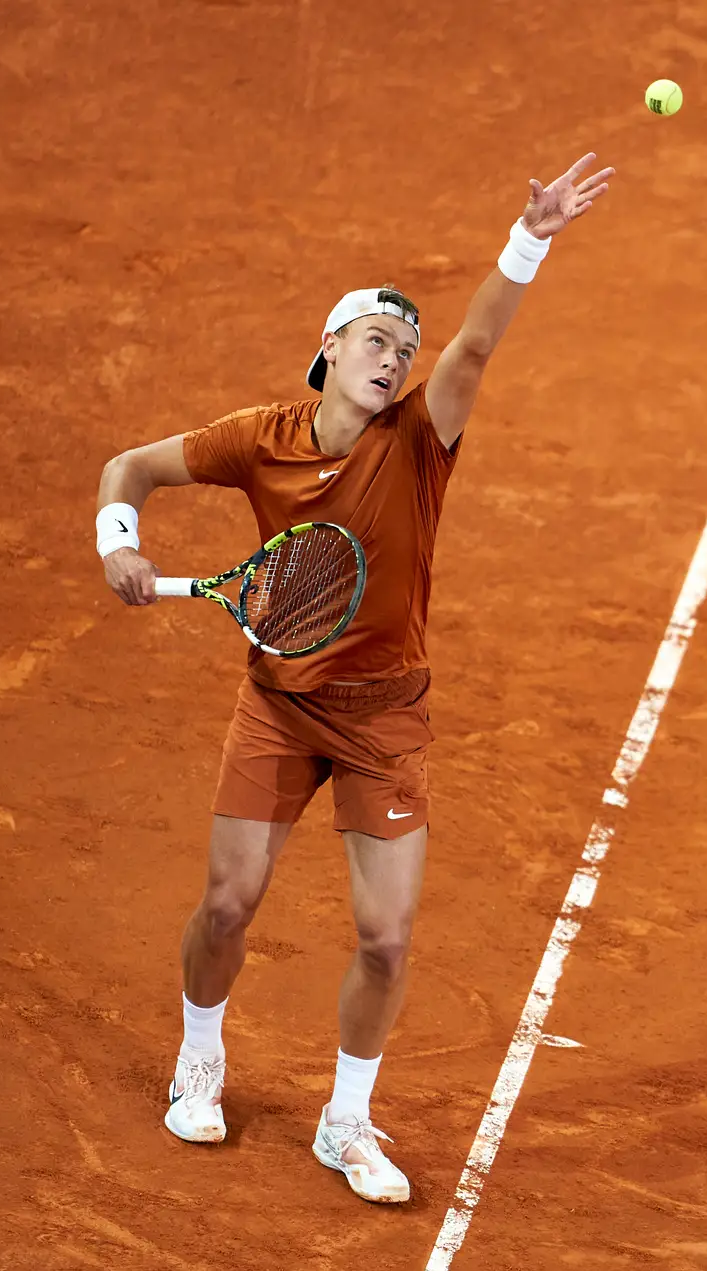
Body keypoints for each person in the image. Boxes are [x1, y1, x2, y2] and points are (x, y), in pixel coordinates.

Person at [91, 153, 612, 1204]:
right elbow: (129, 471)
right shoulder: (258, 440)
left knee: (386, 937)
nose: (397, 357)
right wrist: (118, 543)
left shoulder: (423, 436)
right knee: (229, 903)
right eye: (378, 340)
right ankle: (202, 1052)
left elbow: (475, 340)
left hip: (384, 718)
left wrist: (532, 238)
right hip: (279, 706)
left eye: (403, 348)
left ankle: (347, 1118)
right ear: (329, 350)